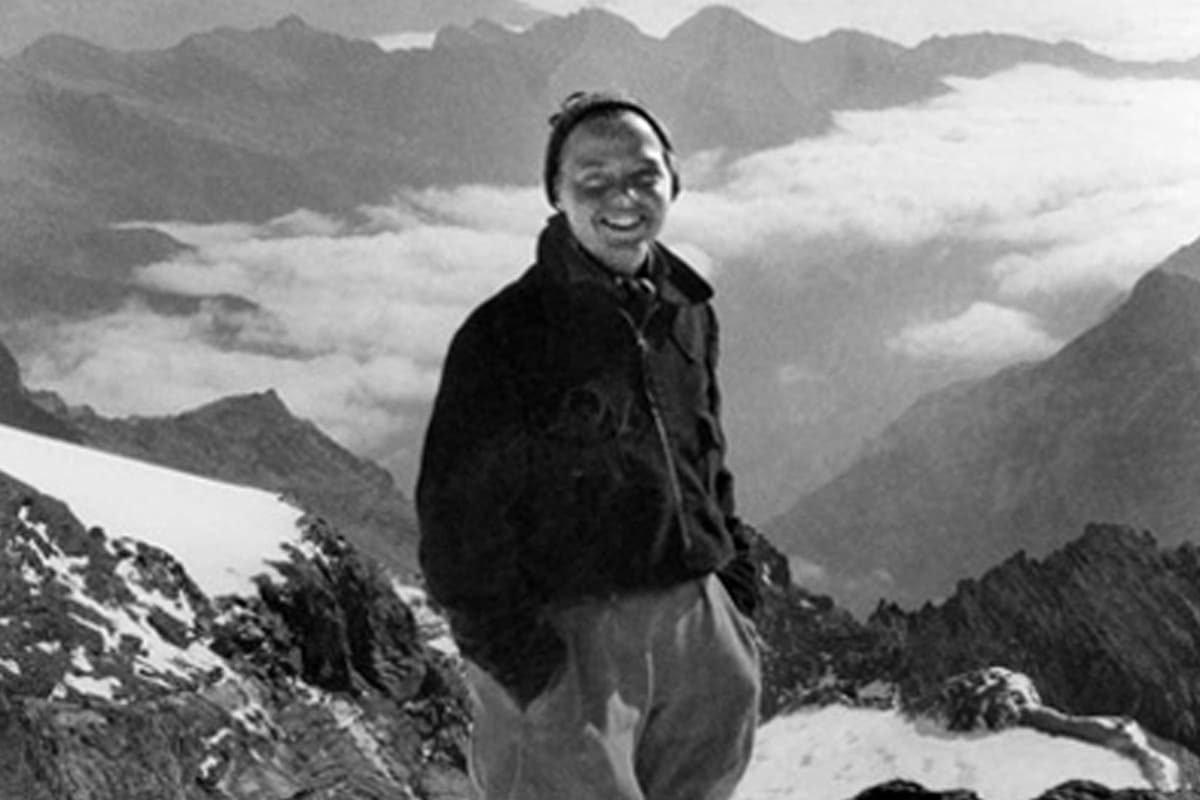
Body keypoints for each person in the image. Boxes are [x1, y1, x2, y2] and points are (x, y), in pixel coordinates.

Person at [416, 90, 761, 800]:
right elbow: (456, 526)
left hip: (697, 624)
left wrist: (732, 585)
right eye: (593, 181)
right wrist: (528, 671)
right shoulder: (504, 337)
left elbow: (704, 453)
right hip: (570, 641)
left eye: (642, 175)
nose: (622, 198)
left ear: (673, 180)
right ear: (556, 194)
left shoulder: (687, 311)